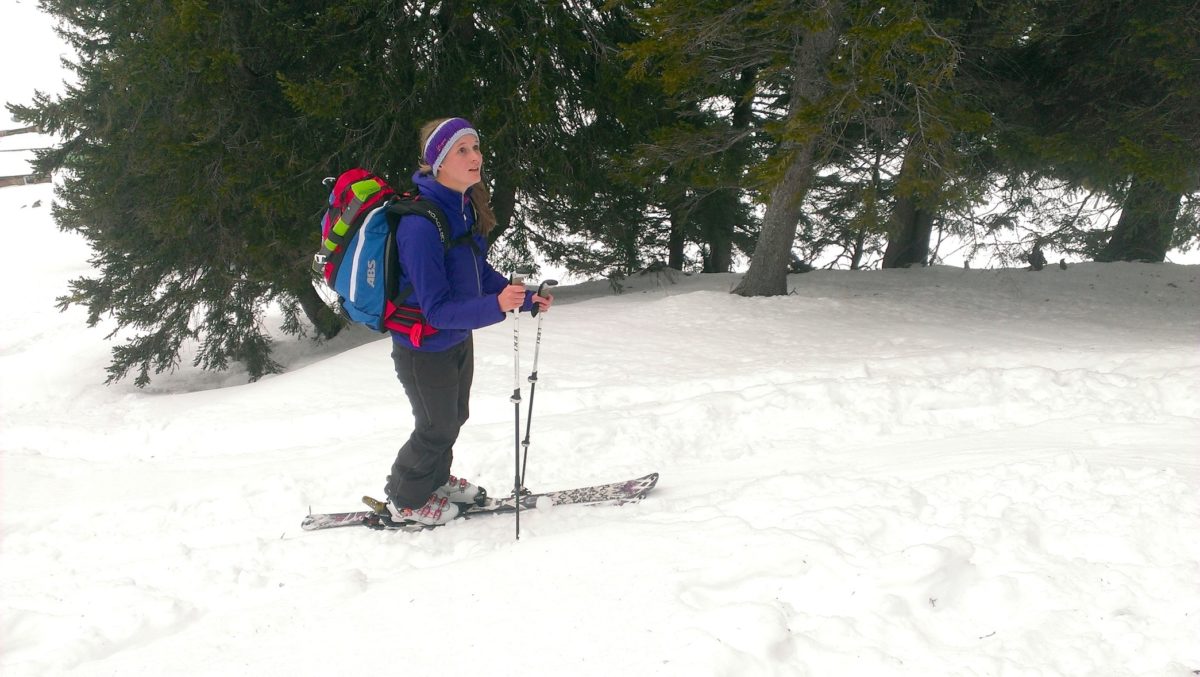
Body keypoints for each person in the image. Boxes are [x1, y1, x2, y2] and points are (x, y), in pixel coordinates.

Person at [383, 116, 552, 526]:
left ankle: (434, 482)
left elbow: (478, 274)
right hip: (424, 346)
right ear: (438, 161)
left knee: (453, 418)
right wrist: (497, 305)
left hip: (455, 338)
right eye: (463, 150)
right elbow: (436, 308)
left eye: (476, 147)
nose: (476, 157)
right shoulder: (420, 225)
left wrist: (525, 299)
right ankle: (405, 499)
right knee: (435, 427)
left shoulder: (461, 208)